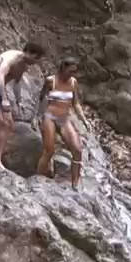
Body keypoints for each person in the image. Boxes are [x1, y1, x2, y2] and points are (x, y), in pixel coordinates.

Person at [0, 42, 46, 170]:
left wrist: (19, 100)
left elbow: (17, 82)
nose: (36, 62)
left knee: (9, 123)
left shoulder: (24, 65)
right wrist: (4, 99)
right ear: (28, 52)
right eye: (36, 58)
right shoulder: (11, 57)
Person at [36, 57, 88, 189]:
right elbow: (41, 98)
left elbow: (75, 103)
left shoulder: (73, 82)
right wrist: (37, 117)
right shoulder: (51, 80)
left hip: (64, 118)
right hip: (50, 116)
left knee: (77, 150)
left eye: (74, 72)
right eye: (70, 71)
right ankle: (38, 179)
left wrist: (84, 120)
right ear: (63, 68)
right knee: (49, 150)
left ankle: (75, 184)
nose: (72, 74)